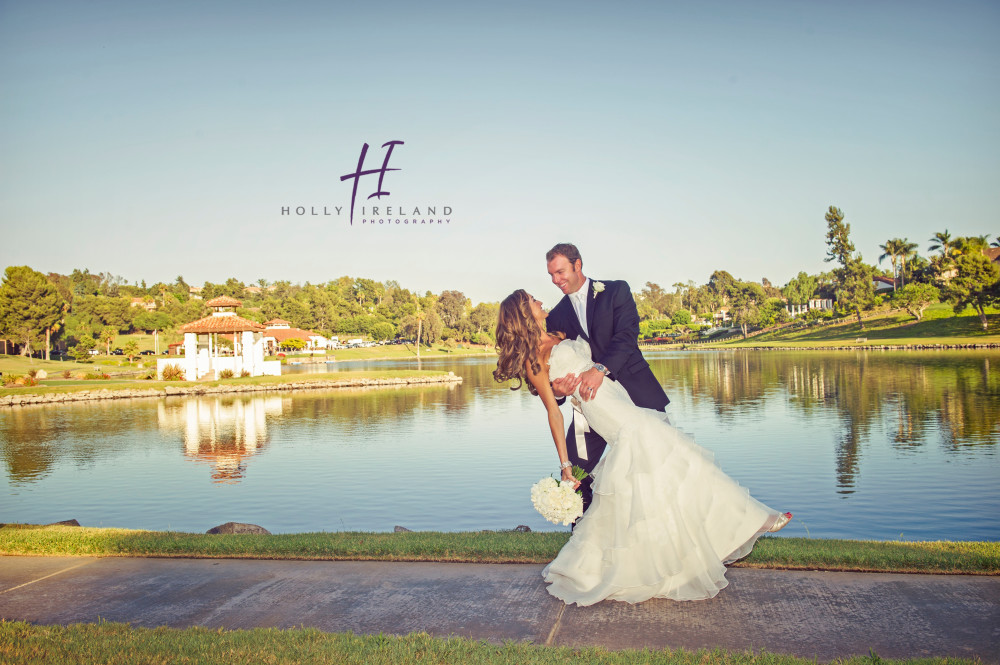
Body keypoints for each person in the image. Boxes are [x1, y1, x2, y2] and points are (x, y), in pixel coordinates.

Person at [493, 289, 791, 605]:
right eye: (532, 299)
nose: (539, 299)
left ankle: (685, 547)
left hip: (620, 400)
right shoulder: (535, 360)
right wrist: (566, 466)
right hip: (606, 412)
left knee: (662, 475)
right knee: (681, 455)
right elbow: (553, 410)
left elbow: (604, 346)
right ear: (523, 312)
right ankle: (753, 518)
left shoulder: (558, 334)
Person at [544, 243, 669, 513]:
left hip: (637, 391)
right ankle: (581, 536)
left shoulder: (616, 290)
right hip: (590, 405)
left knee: (664, 458)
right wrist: (557, 391)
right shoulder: (556, 315)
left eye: (561, 272)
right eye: (551, 275)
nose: (556, 280)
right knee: (577, 470)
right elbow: (546, 366)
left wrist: (600, 369)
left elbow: (626, 336)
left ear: (578, 265)